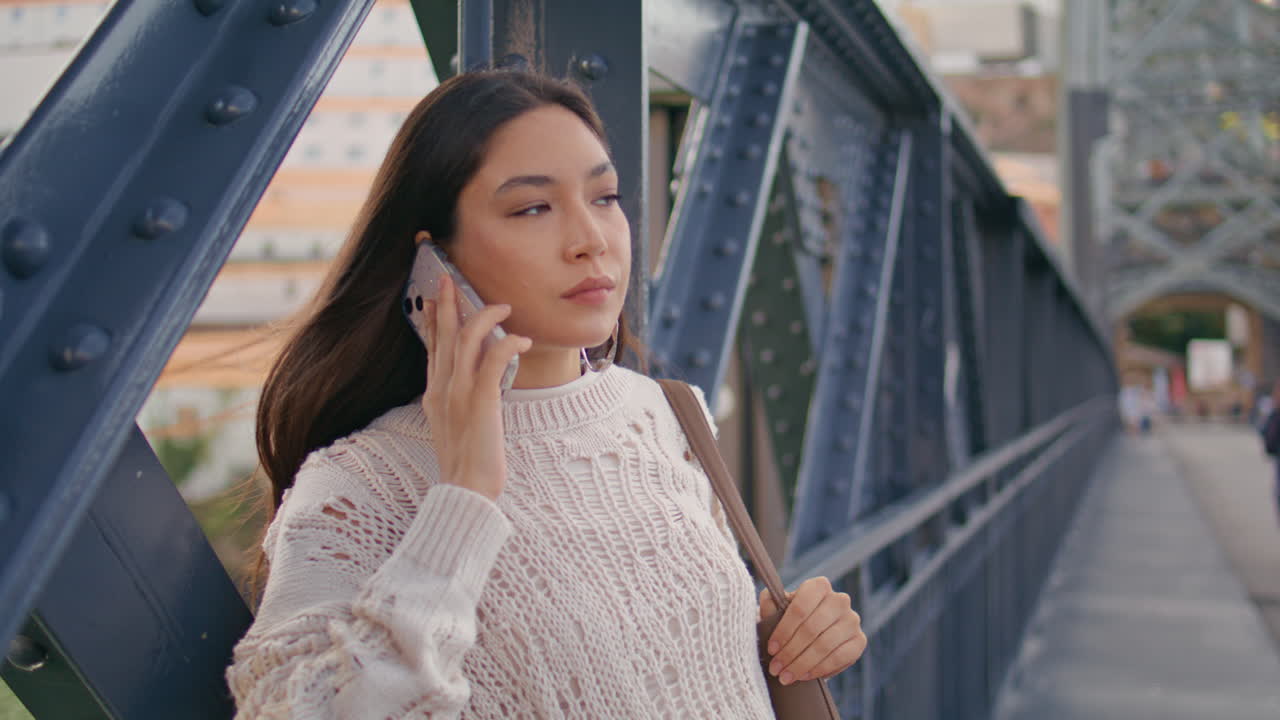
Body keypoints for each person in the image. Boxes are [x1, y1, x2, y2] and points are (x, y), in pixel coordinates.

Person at [225, 70, 867, 718]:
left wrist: (779, 643)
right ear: (434, 262)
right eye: (533, 207)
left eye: (606, 196)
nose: (591, 238)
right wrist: (463, 498)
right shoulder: (357, 487)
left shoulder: (667, 415)